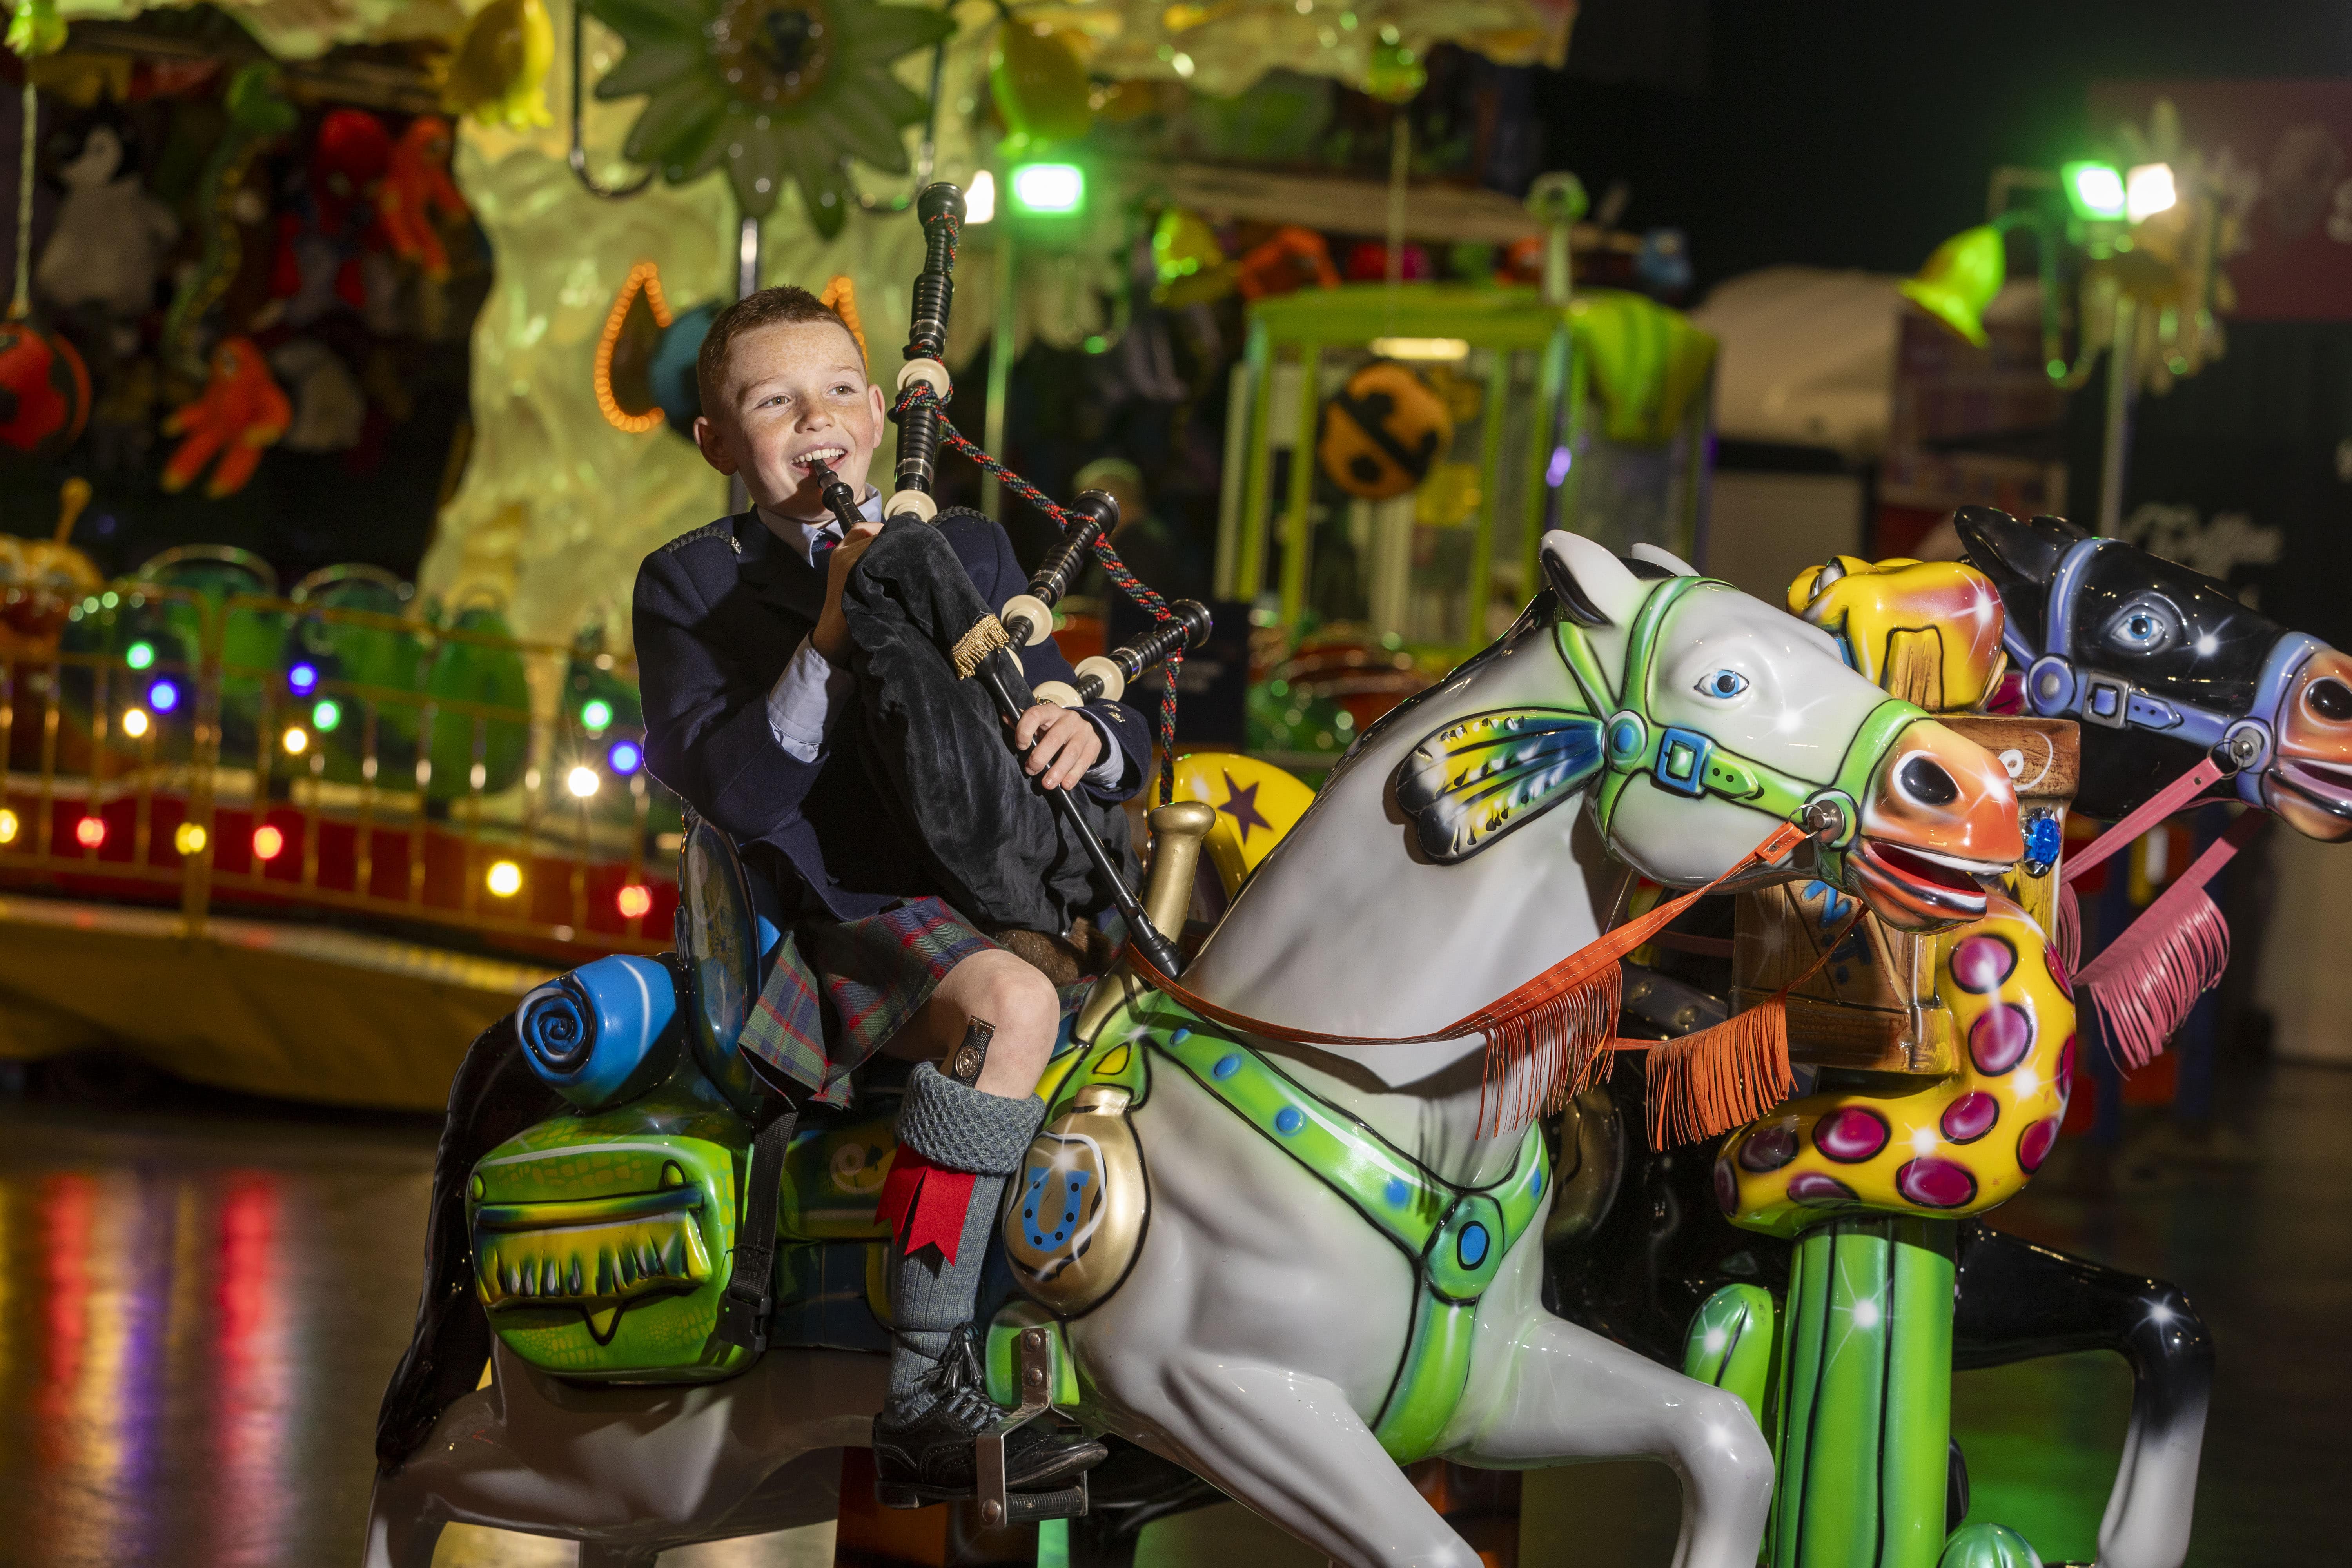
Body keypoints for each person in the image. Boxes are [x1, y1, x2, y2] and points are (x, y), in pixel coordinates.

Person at [632, 286, 1146, 1505]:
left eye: (840, 391)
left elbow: (1076, 695)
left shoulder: (966, 546)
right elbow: (745, 797)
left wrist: (1094, 737)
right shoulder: (690, 587)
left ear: (881, 408)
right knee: (1014, 1007)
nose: (817, 421)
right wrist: (828, 632)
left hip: (1004, 882)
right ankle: (926, 1384)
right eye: (774, 402)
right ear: (717, 444)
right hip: (844, 918)